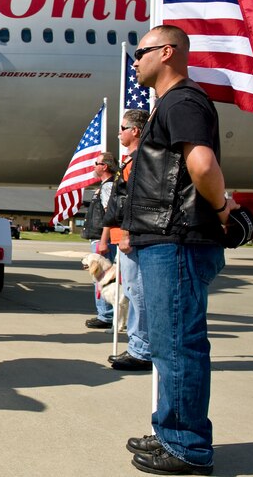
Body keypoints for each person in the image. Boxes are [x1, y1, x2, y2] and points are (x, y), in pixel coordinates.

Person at [122, 25, 237, 476]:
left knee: (178, 347)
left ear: (167, 52)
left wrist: (223, 209)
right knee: (169, 346)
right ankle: (171, 429)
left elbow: (202, 164)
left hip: (178, 241)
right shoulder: (169, 104)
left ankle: (187, 446)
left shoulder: (182, 101)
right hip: (165, 240)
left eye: (141, 52)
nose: (135, 61)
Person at [100, 109, 151, 371]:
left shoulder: (139, 160)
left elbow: (134, 201)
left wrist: (127, 233)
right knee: (132, 291)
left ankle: (141, 350)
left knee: (136, 292)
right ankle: (138, 345)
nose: (118, 133)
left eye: (122, 128)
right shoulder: (131, 160)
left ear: (135, 131)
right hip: (123, 235)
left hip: (130, 237)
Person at [84, 151, 118, 330]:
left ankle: (106, 315)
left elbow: (109, 215)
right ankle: (105, 314)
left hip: (102, 238)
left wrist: (104, 241)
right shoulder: (105, 186)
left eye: (96, 164)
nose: (94, 167)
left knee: (102, 275)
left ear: (104, 166)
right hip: (99, 237)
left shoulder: (107, 187)